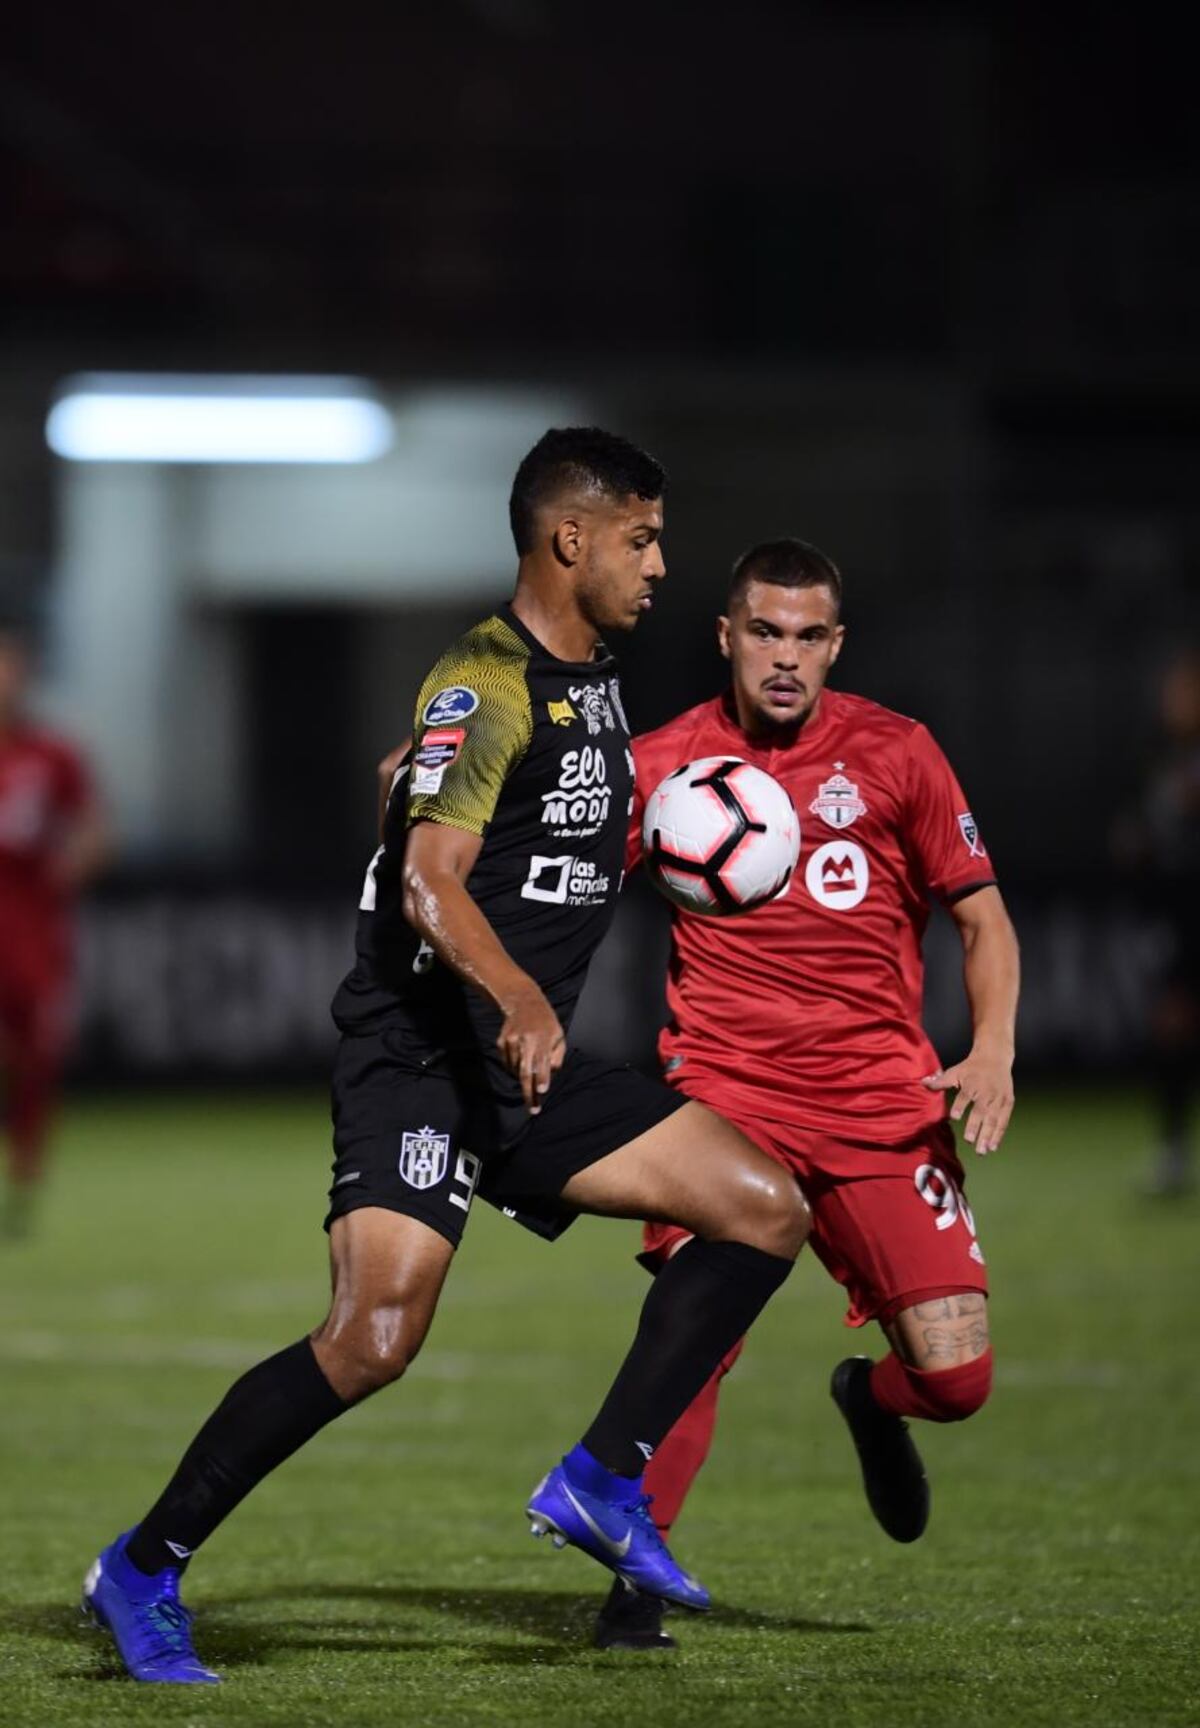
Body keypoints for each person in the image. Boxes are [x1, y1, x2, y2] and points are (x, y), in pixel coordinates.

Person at [82, 429, 809, 1685]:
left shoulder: (592, 681)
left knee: (764, 1209)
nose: (658, 564)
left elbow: (478, 812)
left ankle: (602, 1479)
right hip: (425, 1054)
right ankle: (142, 1568)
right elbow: (429, 880)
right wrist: (519, 992)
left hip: (521, 1064)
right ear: (569, 539)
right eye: (640, 540)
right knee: (371, 1339)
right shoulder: (486, 675)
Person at [592, 537, 1020, 1651]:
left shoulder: (897, 752)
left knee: (958, 1382)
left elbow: (981, 918)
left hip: (880, 1102)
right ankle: (636, 1578)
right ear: (726, 636)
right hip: (725, 1099)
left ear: (836, 645)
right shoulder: (665, 765)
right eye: (765, 633)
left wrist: (992, 1050)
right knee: (693, 1341)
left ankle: (868, 1402)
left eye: (808, 636)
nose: (786, 656)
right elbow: (554, 873)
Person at [0, 615, 107, 1239]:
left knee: (38, 1051)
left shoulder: (52, 755)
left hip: (34, 927)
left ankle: (25, 1168)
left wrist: (73, 866)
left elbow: (93, 827)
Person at [1111, 647, 1200, 1197]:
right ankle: (1173, 1152)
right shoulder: (1163, 759)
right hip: (1178, 909)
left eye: (1184, 691)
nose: (1175, 702)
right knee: (1171, 1026)